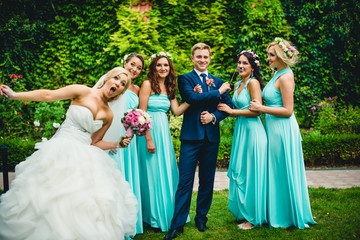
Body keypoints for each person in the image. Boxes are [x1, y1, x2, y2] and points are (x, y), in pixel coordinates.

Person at [0, 67, 138, 239]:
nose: (117, 83)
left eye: (122, 84)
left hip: (86, 155)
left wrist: (116, 143)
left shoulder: (108, 115)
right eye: (116, 78)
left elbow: (95, 142)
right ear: (108, 78)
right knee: (48, 196)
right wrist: (14, 95)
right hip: (61, 148)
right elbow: (48, 96)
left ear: (121, 91)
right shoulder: (81, 91)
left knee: (83, 202)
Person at [164, 43, 232, 240]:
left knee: (207, 181)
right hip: (190, 138)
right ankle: (177, 225)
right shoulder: (185, 78)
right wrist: (217, 92)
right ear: (192, 58)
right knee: (185, 182)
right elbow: (191, 97)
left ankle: (201, 218)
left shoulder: (217, 80)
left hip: (211, 138)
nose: (202, 60)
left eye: (205, 57)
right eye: (199, 57)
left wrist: (214, 117)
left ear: (209, 58)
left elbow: (228, 106)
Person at [249, 38, 316, 229]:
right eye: (268, 54)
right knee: (276, 171)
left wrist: (262, 108)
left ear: (280, 57)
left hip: (282, 130)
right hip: (273, 129)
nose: (268, 59)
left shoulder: (286, 77)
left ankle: (288, 215)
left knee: (283, 170)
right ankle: (277, 212)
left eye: (271, 55)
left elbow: (288, 110)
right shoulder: (277, 74)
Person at [138, 52, 202, 233]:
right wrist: (148, 138)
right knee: (151, 173)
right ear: (153, 67)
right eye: (159, 65)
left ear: (169, 68)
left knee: (165, 171)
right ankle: (151, 216)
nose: (162, 68)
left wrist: (192, 97)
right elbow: (141, 113)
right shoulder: (147, 85)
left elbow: (177, 111)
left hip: (164, 135)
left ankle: (167, 214)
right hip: (149, 132)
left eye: (165, 65)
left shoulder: (169, 86)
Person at [95, 53, 145, 235]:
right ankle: (104, 224)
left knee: (125, 178)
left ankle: (124, 223)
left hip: (127, 140)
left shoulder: (137, 89)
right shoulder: (111, 82)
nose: (134, 69)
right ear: (124, 63)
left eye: (139, 68)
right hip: (108, 135)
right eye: (132, 64)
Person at [217, 50, 268, 230]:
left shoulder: (253, 83)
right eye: (239, 62)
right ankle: (245, 211)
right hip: (241, 131)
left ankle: (253, 217)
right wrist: (218, 90)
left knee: (251, 174)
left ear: (253, 67)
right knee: (242, 172)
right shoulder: (238, 83)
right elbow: (230, 106)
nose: (240, 66)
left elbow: (257, 110)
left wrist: (232, 112)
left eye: (245, 63)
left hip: (253, 131)